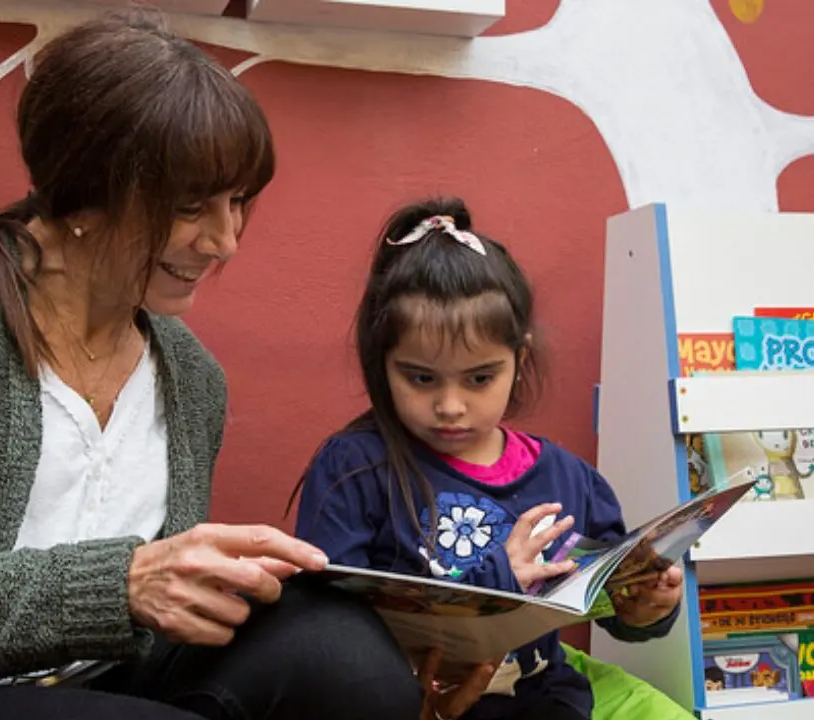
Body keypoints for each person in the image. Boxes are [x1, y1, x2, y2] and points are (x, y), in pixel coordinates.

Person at [0, 12, 422, 720]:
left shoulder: (192, 378)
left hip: (104, 690)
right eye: (190, 206)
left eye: (238, 202)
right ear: (83, 190)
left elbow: (156, 626)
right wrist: (118, 586)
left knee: (349, 661)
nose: (225, 240)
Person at [291, 198, 684, 720]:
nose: (450, 406)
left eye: (479, 378)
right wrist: (496, 581)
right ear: (382, 361)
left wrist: (648, 607)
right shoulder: (356, 467)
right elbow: (325, 627)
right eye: (420, 377)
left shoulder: (571, 479)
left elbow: (608, 600)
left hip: (546, 702)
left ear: (519, 359)